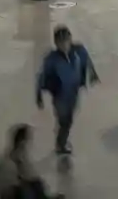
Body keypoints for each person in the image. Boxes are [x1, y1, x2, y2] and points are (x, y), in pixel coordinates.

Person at [36, 26, 99, 155]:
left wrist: (93, 74)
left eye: (66, 40)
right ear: (56, 43)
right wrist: (38, 95)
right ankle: (61, 144)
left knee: (68, 117)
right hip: (60, 95)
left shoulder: (78, 50)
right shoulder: (51, 59)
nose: (64, 44)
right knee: (65, 120)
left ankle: (61, 135)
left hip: (73, 92)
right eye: (60, 42)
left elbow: (87, 61)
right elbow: (42, 76)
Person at [0, 124, 60, 199]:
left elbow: (33, 177)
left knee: (34, 183)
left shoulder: (22, 159)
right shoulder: (5, 164)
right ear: (22, 143)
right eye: (28, 141)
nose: (30, 145)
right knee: (23, 189)